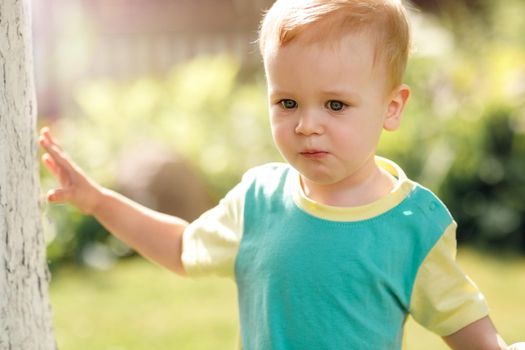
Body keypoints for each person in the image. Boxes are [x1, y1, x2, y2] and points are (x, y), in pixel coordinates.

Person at [39, 0, 524, 349]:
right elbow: (182, 248)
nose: (306, 124)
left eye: (336, 104)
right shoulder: (259, 200)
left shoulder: (414, 224)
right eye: (287, 102)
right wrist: (99, 200)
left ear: (391, 107)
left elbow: (471, 334)